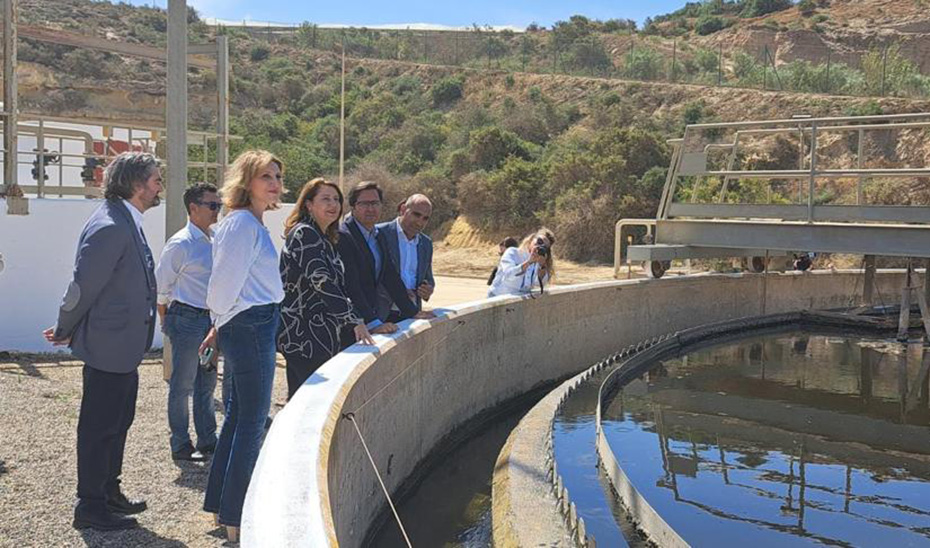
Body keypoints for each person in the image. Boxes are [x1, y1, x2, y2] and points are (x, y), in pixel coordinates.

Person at [43, 152, 161, 531]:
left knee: (117, 422)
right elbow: (83, 286)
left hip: (123, 347)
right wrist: (65, 327)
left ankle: (109, 491)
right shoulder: (111, 224)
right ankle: (90, 506)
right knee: (99, 428)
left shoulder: (125, 218)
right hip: (110, 347)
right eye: (156, 179)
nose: (160, 186)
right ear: (135, 184)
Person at [202, 150, 285, 542]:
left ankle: (222, 507)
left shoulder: (252, 223)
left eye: (277, 177)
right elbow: (221, 287)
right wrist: (221, 322)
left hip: (252, 322)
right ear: (246, 181)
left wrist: (223, 322)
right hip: (250, 325)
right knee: (251, 421)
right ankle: (236, 518)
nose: (274, 183)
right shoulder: (241, 225)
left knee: (239, 417)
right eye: (265, 176)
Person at [278, 178, 376, 400]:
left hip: (320, 333)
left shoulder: (325, 238)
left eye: (336, 199)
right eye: (325, 199)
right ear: (309, 204)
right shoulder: (305, 234)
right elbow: (322, 282)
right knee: (310, 400)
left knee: (304, 399)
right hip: (303, 335)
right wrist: (354, 319)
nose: (333, 205)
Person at [155, 182, 220, 462]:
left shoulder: (214, 239)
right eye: (212, 205)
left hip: (207, 322)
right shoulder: (181, 243)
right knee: (181, 385)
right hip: (186, 319)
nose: (218, 211)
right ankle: (180, 444)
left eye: (219, 205)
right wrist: (167, 319)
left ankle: (207, 440)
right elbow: (160, 286)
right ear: (194, 208)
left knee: (205, 384)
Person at [337, 181, 430, 347]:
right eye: (364, 203)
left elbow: (389, 275)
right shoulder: (344, 236)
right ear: (353, 206)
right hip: (350, 322)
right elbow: (352, 284)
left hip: (369, 318)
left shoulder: (377, 235)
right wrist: (373, 322)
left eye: (375, 203)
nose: (371, 209)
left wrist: (412, 311)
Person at [377, 194, 435, 320]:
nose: (420, 222)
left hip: (412, 315)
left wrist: (427, 289)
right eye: (416, 215)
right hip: (381, 314)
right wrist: (399, 294)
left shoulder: (426, 244)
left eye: (425, 218)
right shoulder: (379, 234)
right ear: (403, 209)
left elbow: (428, 277)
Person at [488, 228, 556, 298]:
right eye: (539, 241)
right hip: (497, 297)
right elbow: (508, 275)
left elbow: (539, 283)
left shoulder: (538, 262)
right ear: (531, 239)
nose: (540, 246)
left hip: (517, 300)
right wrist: (528, 262)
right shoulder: (513, 252)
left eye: (545, 247)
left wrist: (542, 266)